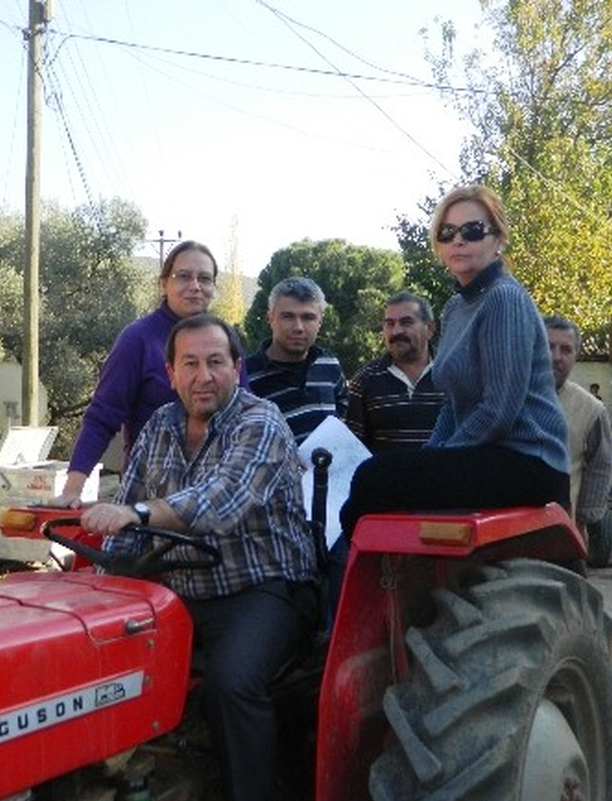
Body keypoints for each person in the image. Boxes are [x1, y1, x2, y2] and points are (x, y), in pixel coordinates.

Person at [77, 314, 318, 801]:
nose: (203, 375)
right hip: (178, 587)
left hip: (265, 588)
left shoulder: (262, 422)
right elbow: (128, 506)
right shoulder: (159, 424)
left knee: (232, 681)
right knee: (92, 654)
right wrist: (99, 561)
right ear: (170, 372)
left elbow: (219, 503)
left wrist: (135, 516)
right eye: (190, 363)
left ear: (238, 367)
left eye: (216, 362)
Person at [339, 185, 569, 539]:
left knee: (375, 477)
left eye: (473, 230)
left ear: (498, 239)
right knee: (380, 478)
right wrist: (433, 454)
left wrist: (440, 458)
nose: (458, 241)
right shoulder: (455, 307)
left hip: (529, 459)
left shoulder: (503, 299)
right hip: (488, 454)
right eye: (447, 233)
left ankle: (353, 582)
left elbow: (499, 410)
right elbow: (452, 402)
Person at [54, 240, 221, 507]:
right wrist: (72, 489)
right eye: (183, 277)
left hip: (215, 495)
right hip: (148, 494)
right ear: (164, 283)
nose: (195, 286)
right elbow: (102, 417)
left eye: (204, 278)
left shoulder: (224, 340)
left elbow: (242, 413)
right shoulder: (138, 339)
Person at [244, 276, 348, 444]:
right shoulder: (246, 376)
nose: (298, 327)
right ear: (270, 318)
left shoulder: (329, 366)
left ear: (320, 321)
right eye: (288, 317)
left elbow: (343, 414)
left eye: (308, 318)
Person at [344, 292, 444, 452]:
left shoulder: (454, 374)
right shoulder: (365, 380)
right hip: (387, 477)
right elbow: (353, 447)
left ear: (430, 329)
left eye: (406, 322)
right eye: (389, 324)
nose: (396, 331)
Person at [545, 315, 612, 537]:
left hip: (562, 537)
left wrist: (584, 519)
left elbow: (600, 466)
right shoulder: (505, 398)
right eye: (548, 346)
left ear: (577, 355)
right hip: (505, 535)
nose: (556, 357)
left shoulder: (591, 409)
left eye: (566, 350)